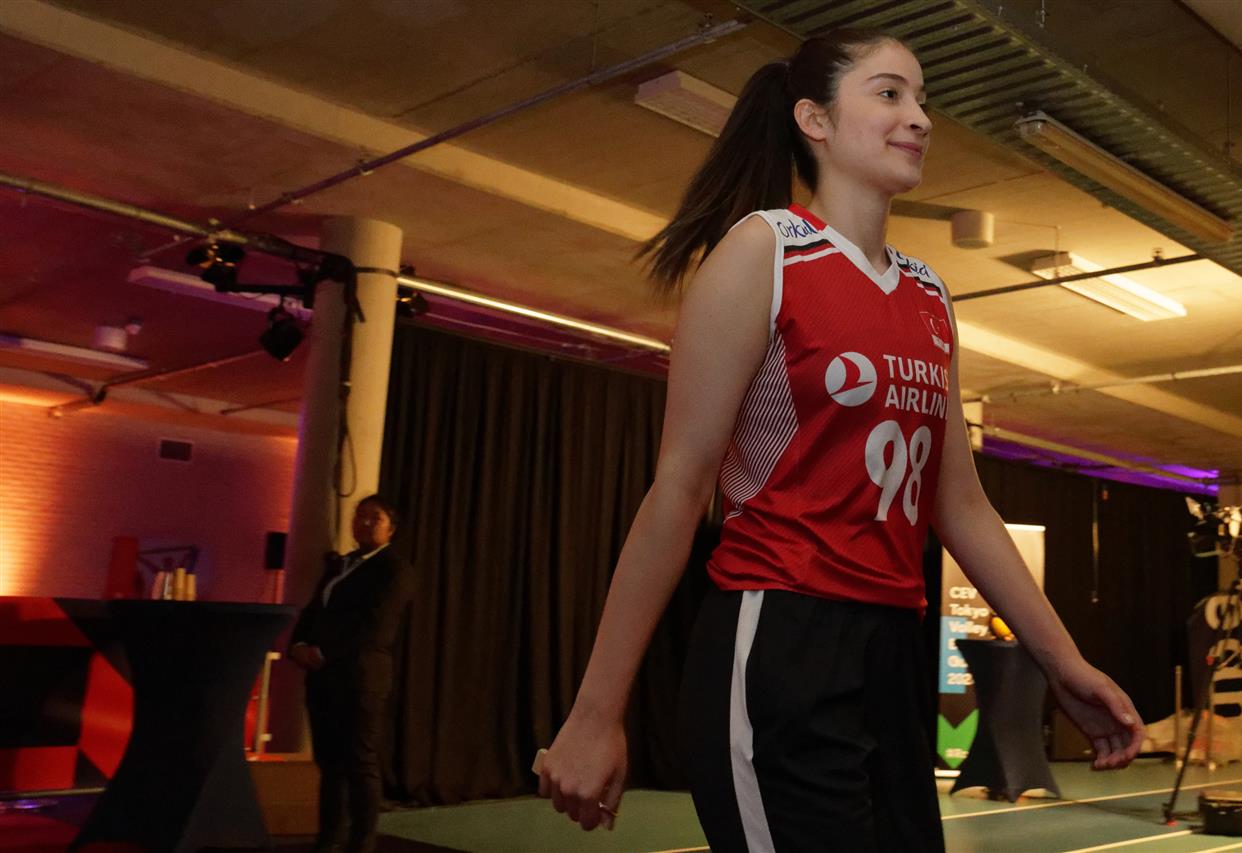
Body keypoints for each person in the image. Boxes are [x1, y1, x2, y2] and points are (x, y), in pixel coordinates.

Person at [536, 26, 1144, 851]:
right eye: (890, 93)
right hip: (780, 634)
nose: (919, 117)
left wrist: (1063, 663)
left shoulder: (930, 294)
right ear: (814, 120)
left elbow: (961, 505)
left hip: (891, 649)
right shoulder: (764, 252)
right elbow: (679, 486)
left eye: (922, 99)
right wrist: (595, 712)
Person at [289, 494, 415, 853]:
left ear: (391, 528)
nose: (364, 523)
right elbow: (314, 610)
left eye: (375, 517)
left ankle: (362, 842)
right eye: (360, 516)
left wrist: (323, 652)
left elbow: (375, 625)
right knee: (329, 762)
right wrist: (298, 644)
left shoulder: (394, 569)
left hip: (361, 677)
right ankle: (328, 839)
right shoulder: (341, 565)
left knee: (360, 761)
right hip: (323, 677)